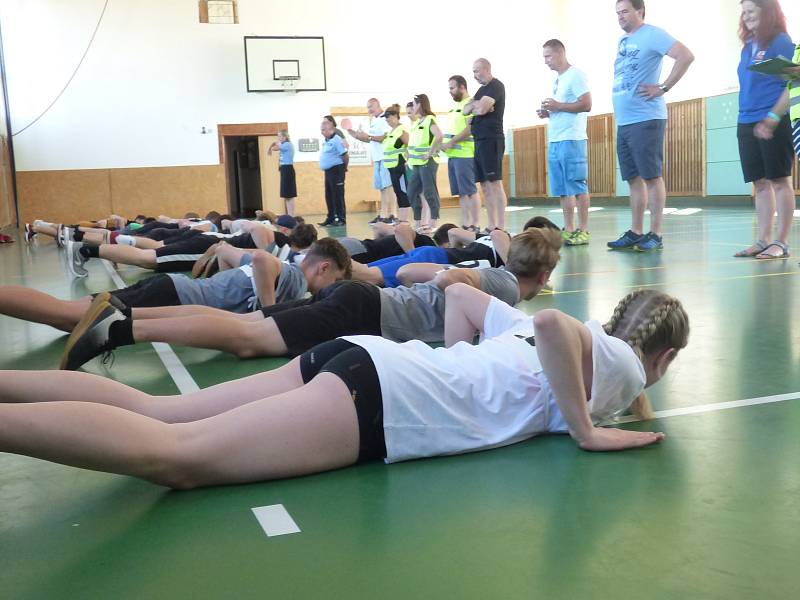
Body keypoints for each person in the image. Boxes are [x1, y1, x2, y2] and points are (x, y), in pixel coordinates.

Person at [0, 287, 686, 489]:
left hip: (369, 360)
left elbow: (464, 298)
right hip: (386, 401)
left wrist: (454, 363)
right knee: (180, 457)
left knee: (161, 411)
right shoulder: (619, 365)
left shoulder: (591, 356)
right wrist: (589, 429)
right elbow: (552, 322)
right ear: (666, 354)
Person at [60, 226, 561, 369]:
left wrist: (436, 285)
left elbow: (411, 269)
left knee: (248, 328)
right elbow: (454, 289)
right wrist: (457, 357)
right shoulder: (503, 288)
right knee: (247, 339)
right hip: (364, 311)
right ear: (545, 272)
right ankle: (121, 329)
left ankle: (127, 311)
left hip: (360, 301)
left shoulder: (489, 270)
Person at [0, 237, 350, 341]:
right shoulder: (293, 278)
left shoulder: (286, 274)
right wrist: (267, 310)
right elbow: (261, 259)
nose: (328, 290)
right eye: (334, 281)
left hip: (173, 290)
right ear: (323, 268)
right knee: (66, 314)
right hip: (172, 296)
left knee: (69, 319)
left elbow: (228, 252)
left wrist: (219, 268)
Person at [607, 0, 694, 251]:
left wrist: (664, 87)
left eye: (625, 11)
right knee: (633, 178)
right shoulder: (622, 41)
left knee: (652, 176)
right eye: (618, 13)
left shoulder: (653, 34)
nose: (620, 17)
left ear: (640, 11)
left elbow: (685, 56)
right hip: (625, 121)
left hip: (646, 118)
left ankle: (655, 233)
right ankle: (636, 231)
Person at [733, 0, 795, 259]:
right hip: (746, 119)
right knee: (759, 183)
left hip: (772, 119)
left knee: (779, 181)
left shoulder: (781, 42)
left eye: (751, 11)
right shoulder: (748, 47)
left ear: (767, 12)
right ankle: (763, 239)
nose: (746, 17)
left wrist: (772, 116)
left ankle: (780, 242)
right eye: (744, 12)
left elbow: (792, 82)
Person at [538, 39, 593, 246]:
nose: (545, 61)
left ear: (560, 54)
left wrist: (558, 105)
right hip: (556, 138)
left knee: (577, 185)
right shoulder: (558, 80)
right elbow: (561, 107)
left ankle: (584, 229)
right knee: (562, 187)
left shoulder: (576, 75)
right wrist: (548, 111)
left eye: (548, 56)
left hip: (572, 138)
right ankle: (569, 228)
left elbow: (586, 104)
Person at [350, 228, 511, 288]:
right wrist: (511, 274)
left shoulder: (484, 239)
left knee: (364, 272)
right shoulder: (507, 244)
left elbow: (453, 232)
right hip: (437, 260)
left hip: (432, 254)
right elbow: (498, 234)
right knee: (369, 275)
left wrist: (457, 250)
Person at [464, 58, 507, 232]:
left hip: (492, 139)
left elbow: (480, 110)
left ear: (487, 69)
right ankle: (491, 225)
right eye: (473, 72)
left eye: (477, 71)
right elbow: (466, 110)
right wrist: (477, 105)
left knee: (494, 182)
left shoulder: (496, 86)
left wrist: (478, 107)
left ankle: (501, 226)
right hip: (479, 140)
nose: (475, 75)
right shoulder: (481, 90)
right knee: (484, 185)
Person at [346, 99, 397, 224]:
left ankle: (394, 215)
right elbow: (370, 140)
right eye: (367, 107)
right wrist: (354, 134)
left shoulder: (385, 119)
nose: (369, 109)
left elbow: (384, 137)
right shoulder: (373, 121)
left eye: (371, 106)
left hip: (386, 157)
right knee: (382, 188)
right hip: (377, 158)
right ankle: (383, 215)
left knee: (389, 187)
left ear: (378, 105)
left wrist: (368, 136)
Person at [441, 75, 480, 232]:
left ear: (462, 87)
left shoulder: (470, 104)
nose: (450, 91)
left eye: (452, 88)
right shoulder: (453, 107)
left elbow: (470, 129)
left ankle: (475, 224)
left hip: (465, 155)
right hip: (453, 156)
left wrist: (451, 142)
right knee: (462, 194)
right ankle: (466, 223)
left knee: (470, 191)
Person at [407, 94, 444, 233]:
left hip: (428, 162)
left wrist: (430, 152)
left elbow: (439, 135)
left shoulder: (429, 119)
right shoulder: (417, 123)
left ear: (421, 104)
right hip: (416, 163)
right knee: (411, 192)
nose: (413, 107)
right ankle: (418, 223)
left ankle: (433, 223)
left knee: (429, 192)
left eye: (415, 104)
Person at [380, 105, 411, 223]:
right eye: (385, 117)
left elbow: (409, 144)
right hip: (391, 168)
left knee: (403, 192)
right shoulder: (390, 132)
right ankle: (401, 219)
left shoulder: (401, 130)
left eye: (388, 116)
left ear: (395, 116)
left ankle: (404, 219)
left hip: (400, 165)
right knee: (398, 192)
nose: (386, 119)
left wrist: (408, 161)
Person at [318, 119, 349, 227]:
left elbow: (345, 155)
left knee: (338, 196)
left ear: (330, 129)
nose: (321, 132)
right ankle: (331, 218)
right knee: (329, 195)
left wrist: (344, 167)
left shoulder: (337, 140)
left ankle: (341, 219)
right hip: (329, 171)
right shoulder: (327, 140)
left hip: (337, 171)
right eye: (321, 130)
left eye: (323, 130)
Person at [267, 130, 298, 217]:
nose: (278, 138)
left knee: (290, 194)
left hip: (288, 169)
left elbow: (275, 146)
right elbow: (274, 147)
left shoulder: (287, 144)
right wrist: (270, 148)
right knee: (286, 194)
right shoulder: (283, 145)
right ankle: (290, 214)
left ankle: (291, 215)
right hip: (284, 169)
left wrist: (271, 147)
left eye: (280, 136)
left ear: (285, 137)